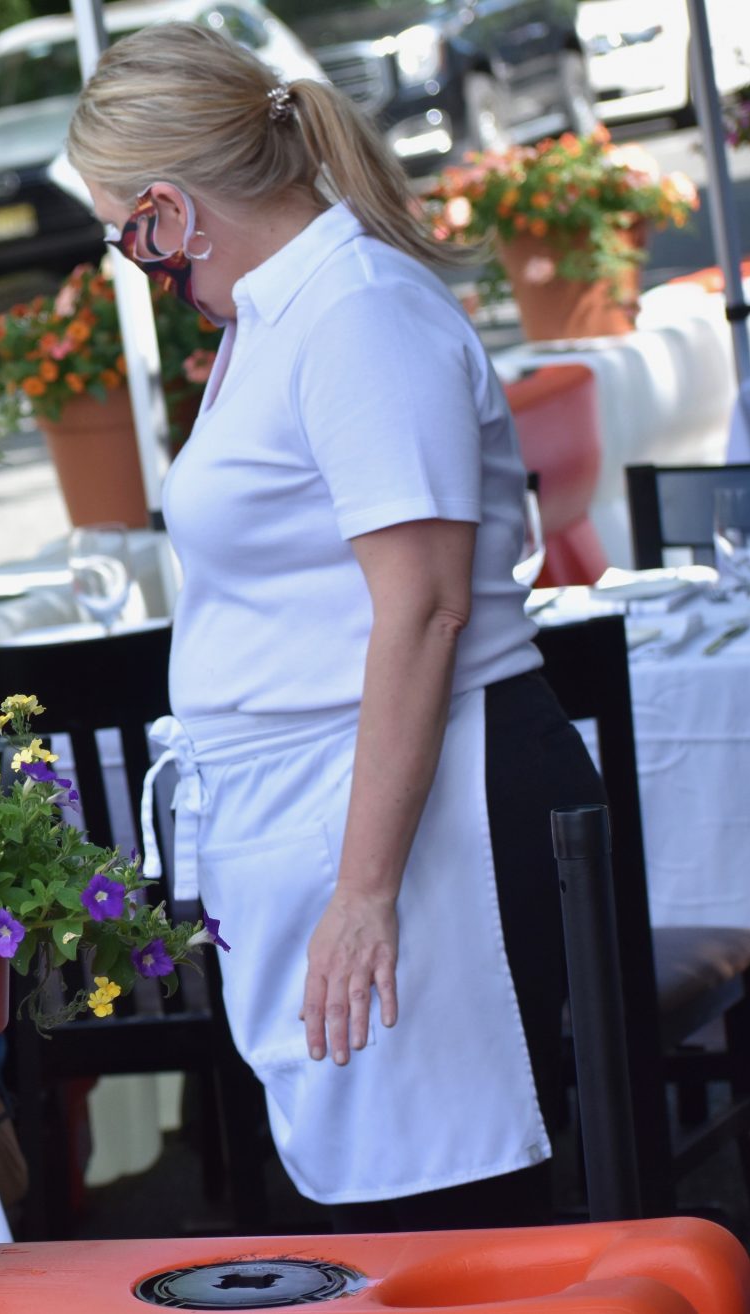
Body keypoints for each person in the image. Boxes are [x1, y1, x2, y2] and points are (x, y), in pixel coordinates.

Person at [68, 24, 604, 1230]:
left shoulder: (355, 310)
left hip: (423, 810)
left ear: (166, 212)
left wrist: (363, 890)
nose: (135, 263)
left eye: (122, 233)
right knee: (381, 1218)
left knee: (450, 1212)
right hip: (330, 802)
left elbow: (422, 608)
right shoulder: (276, 316)